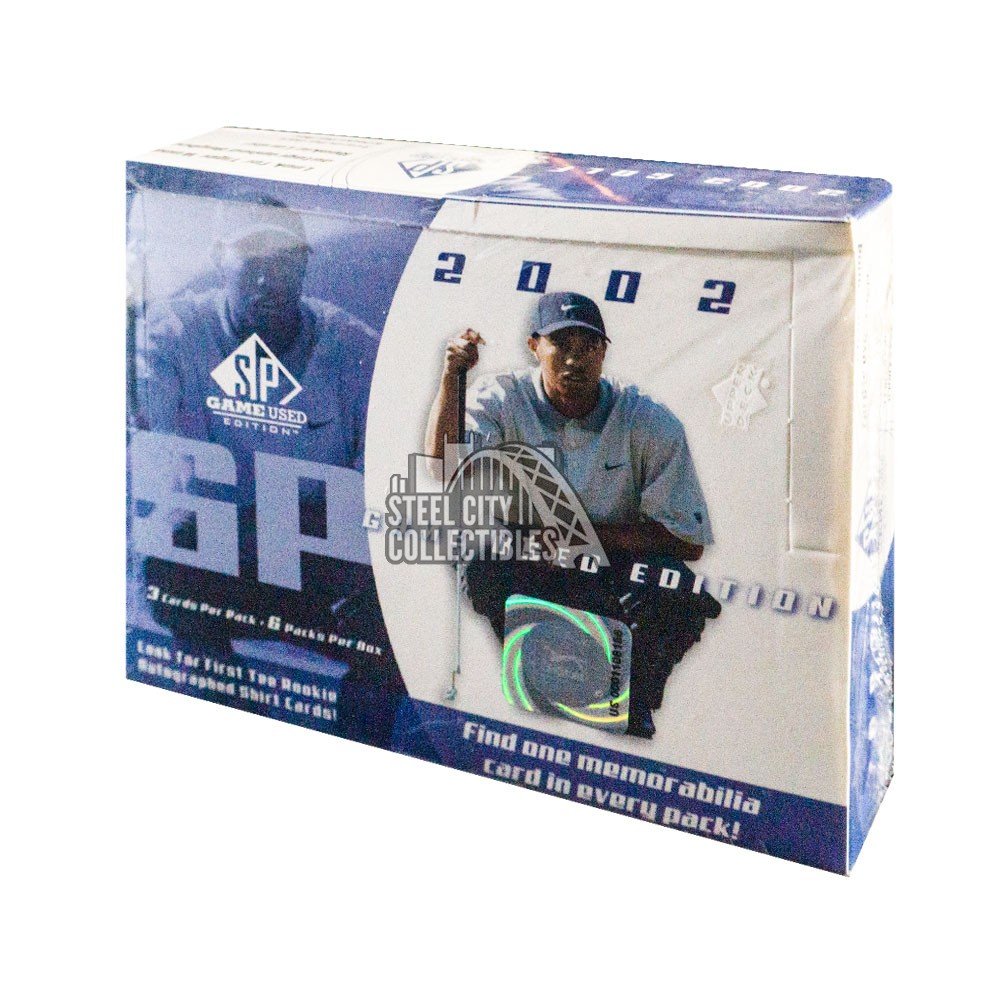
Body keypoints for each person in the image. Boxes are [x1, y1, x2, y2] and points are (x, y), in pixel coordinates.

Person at [137, 194, 404, 742]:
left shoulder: (355, 349)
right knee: (168, 570)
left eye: (284, 261)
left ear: (305, 264)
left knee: (403, 630)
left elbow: (386, 483)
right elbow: (154, 459)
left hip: (319, 556)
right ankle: (229, 723)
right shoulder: (173, 334)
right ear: (219, 258)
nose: (269, 278)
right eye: (252, 259)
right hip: (220, 555)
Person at [424, 291, 720, 738]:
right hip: (528, 558)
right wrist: (452, 377)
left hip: (608, 564)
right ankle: (537, 668)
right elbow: (445, 469)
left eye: (589, 346)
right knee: (477, 552)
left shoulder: (648, 421)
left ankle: (633, 696)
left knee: (679, 591)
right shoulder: (502, 399)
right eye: (561, 344)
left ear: (604, 351)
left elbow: (688, 541)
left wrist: (580, 537)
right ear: (534, 347)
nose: (575, 360)